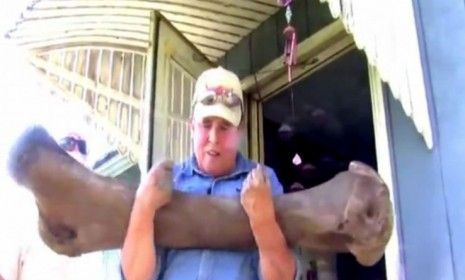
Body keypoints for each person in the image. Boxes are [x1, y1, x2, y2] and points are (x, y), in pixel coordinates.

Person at [122, 66, 299, 280]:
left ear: (240, 131)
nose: (214, 138)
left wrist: (263, 222)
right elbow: (135, 277)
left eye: (225, 127)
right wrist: (143, 208)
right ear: (191, 127)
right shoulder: (168, 181)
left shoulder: (264, 182)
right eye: (206, 125)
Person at [0, 132, 107, 280]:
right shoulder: (20, 217)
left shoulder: (95, 235)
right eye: (68, 143)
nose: (76, 151)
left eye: (83, 147)